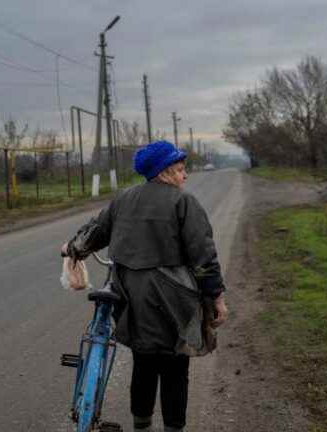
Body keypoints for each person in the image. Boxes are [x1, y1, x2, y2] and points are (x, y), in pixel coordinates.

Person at [62, 140, 228, 432]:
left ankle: (142, 426)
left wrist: (72, 248)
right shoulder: (183, 202)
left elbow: (94, 233)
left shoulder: (123, 199)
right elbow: (204, 257)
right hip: (174, 300)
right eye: (179, 170)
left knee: (144, 363)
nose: (184, 176)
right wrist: (216, 297)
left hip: (130, 298)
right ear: (163, 172)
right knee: (176, 368)